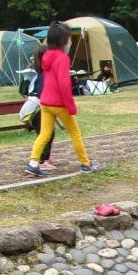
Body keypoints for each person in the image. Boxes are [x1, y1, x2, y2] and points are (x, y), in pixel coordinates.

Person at [25, 22, 102, 177]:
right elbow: (64, 84)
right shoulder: (62, 58)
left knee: (44, 134)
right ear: (63, 40)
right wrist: (70, 106)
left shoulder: (46, 55)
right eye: (69, 38)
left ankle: (33, 163)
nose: (71, 41)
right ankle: (86, 164)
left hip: (45, 102)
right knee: (75, 133)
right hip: (58, 103)